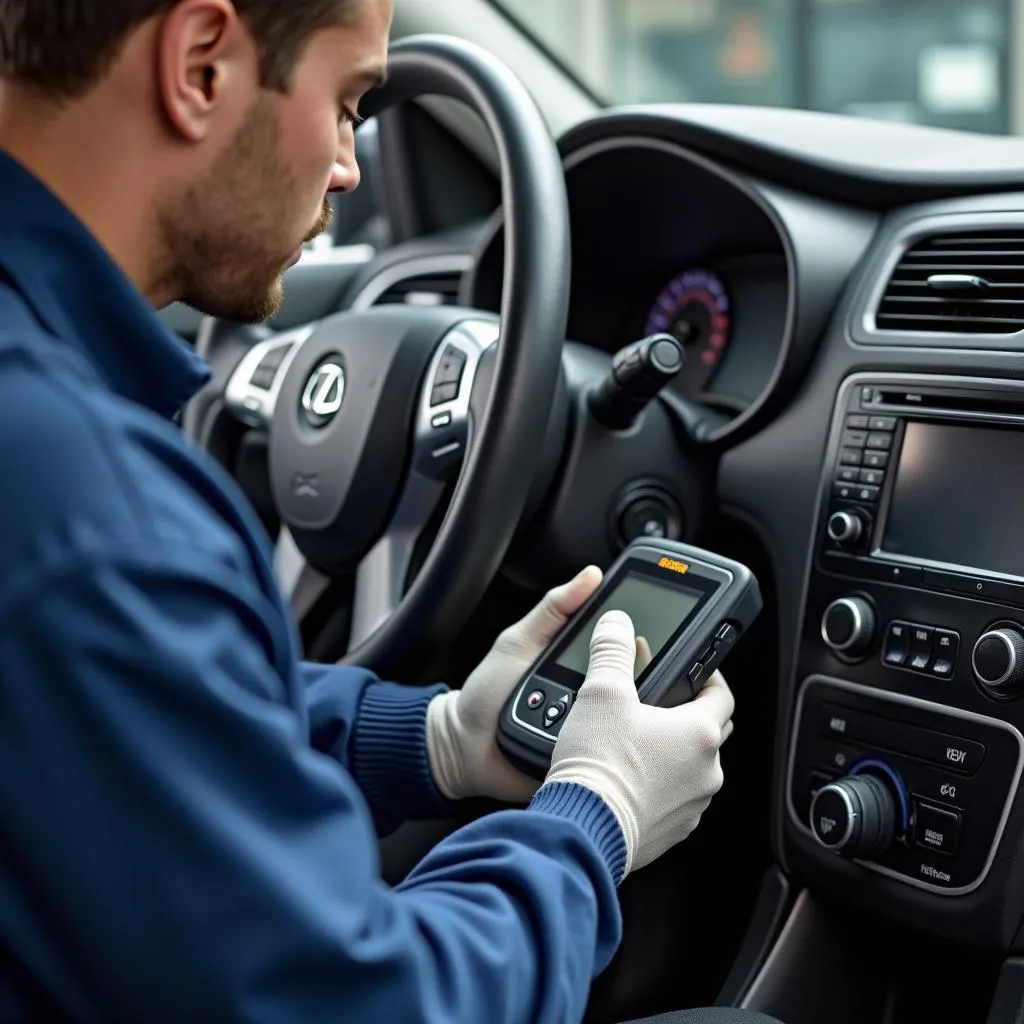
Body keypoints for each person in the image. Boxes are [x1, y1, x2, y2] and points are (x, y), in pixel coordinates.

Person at [0, 1, 780, 1022]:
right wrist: (595, 812)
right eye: (347, 103)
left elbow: (139, 734)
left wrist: (439, 736)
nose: (349, 167)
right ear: (199, 66)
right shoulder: (94, 516)